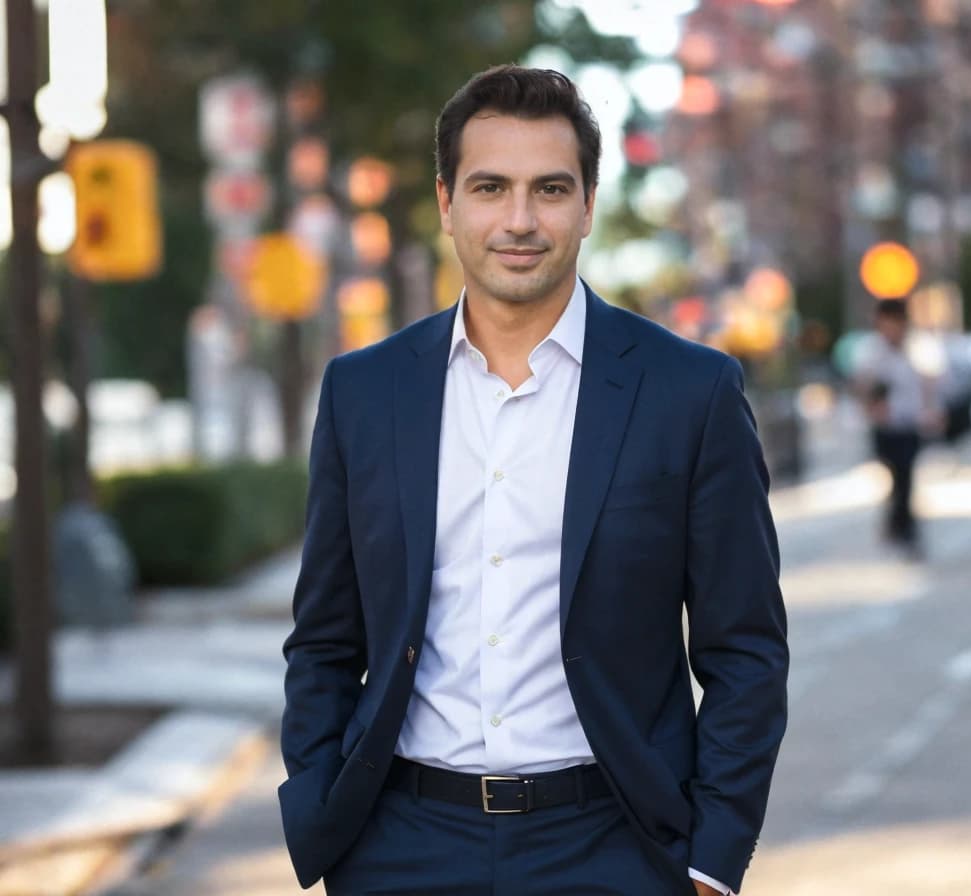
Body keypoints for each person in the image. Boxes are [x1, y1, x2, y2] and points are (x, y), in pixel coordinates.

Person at [278, 65, 789, 896]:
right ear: (447, 203)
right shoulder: (364, 393)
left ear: (588, 205)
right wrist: (319, 808)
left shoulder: (689, 393)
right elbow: (326, 639)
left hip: (614, 845)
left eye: (550, 189)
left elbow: (746, 649)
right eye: (490, 188)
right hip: (399, 846)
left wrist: (712, 860)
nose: (520, 220)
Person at [855, 298, 941, 559]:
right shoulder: (873, 352)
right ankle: (899, 526)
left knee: (906, 477)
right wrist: (872, 407)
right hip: (885, 427)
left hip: (910, 424)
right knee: (897, 477)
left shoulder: (918, 348)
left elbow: (930, 382)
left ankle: (904, 530)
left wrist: (931, 410)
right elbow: (862, 386)